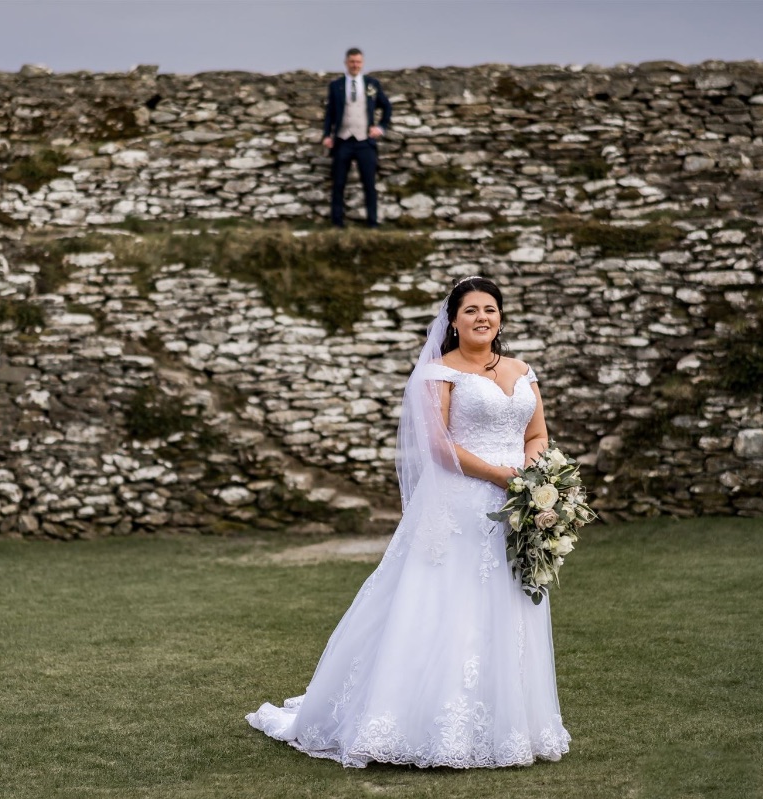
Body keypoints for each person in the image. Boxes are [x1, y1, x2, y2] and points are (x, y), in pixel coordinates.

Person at [247, 276, 570, 768]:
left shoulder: (524, 370)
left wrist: (533, 476)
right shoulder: (438, 372)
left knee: (509, 607)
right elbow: (439, 447)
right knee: (448, 609)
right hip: (462, 504)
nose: (482, 317)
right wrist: (504, 479)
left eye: (491, 309)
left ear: (501, 317)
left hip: (518, 509)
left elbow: (537, 433)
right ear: (454, 321)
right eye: (471, 311)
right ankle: (431, 725)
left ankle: (507, 724)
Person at [322, 47, 392, 228]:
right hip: (342, 140)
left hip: (364, 142)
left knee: (369, 183)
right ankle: (337, 223)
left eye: (358, 62)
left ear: (363, 63)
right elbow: (330, 113)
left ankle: (372, 222)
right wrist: (326, 135)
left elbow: (387, 107)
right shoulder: (336, 85)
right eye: (352, 62)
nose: (355, 65)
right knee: (338, 183)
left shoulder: (372, 84)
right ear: (346, 63)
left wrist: (381, 127)